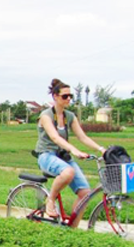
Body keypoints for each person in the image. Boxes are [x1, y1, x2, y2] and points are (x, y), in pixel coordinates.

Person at [36, 78, 107, 227]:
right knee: (68, 172)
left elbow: (82, 137)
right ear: (55, 97)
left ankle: (71, 230)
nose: (68, 99)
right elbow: (55, 137)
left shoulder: (70, 116)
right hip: (46, 155)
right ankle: (50, 200)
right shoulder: (46, 116)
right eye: (64, 96)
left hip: (63, 156)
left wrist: (101, 149)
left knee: (84, 194)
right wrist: (74, 150)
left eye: (70, 96)